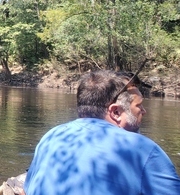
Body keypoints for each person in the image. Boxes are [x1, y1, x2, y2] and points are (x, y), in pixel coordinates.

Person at [23, 70, 180, 194]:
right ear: (116, 112)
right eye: (139, 106)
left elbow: (27, 190)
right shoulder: (144, 150)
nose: (144, 111)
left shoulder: (51, 135)